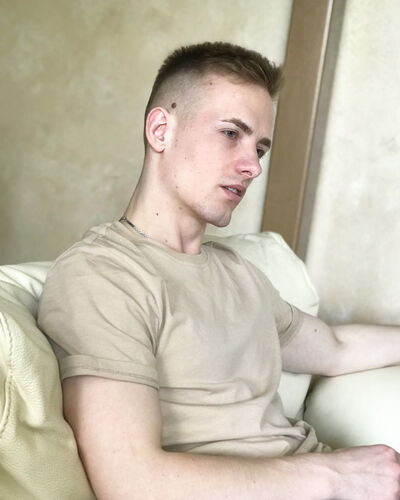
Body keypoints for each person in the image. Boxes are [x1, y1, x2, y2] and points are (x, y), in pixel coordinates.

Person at [38, 42, 400, 499]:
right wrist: (335, 477)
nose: (252, 167)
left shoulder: (237, 272)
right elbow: (130, 481)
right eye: (231, 133)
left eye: (260, 148)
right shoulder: (103, 275)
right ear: (161, 130)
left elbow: (336, 348)